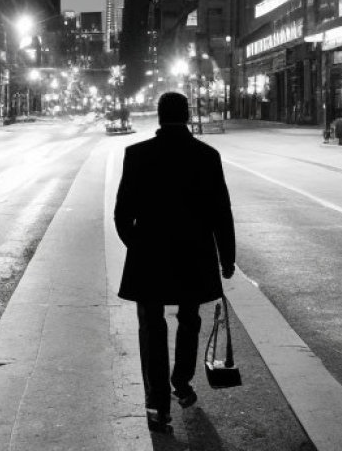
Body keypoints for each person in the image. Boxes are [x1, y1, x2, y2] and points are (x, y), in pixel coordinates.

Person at [113, 91, 236, 433]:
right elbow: (220, 213)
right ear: (188, 115)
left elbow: (123, 212)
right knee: (189, 317)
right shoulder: (207, 155)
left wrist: (137, 245)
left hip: (150, 255)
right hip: (194, 254)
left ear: (158, 116)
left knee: (151, 325)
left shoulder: (137, 155)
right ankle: (181, 383)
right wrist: (227, 258)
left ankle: (157, 404)